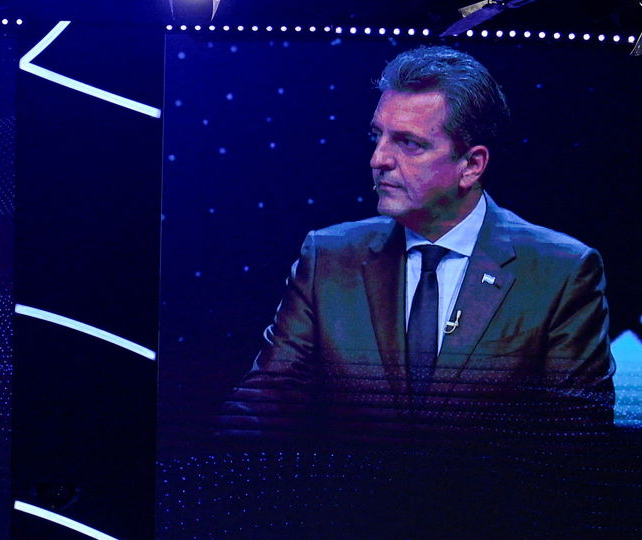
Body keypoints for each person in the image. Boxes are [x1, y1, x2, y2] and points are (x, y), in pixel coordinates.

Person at [224, 46, 613, 443]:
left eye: (408, 143)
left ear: (471, 165)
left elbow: (576, 444)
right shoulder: (328, 257)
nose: (379, 159)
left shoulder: (560, 272)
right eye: (378, 137)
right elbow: (265, 403)